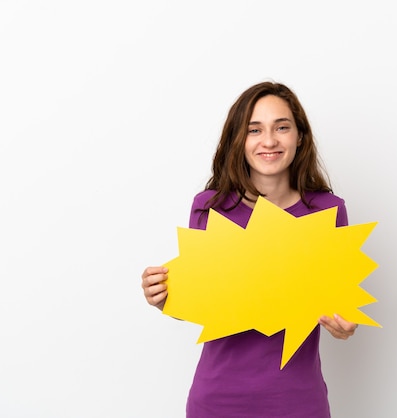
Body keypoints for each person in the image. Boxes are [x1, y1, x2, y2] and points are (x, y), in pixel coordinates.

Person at [141, 81, 358, 417]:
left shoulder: (328, 211)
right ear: (238, 140)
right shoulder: (209, 207)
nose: (269, 140)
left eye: (281, 127)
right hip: (218, 399)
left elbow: (339, 306)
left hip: (297, 400)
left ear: (299, 136)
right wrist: (164, 298)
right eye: (254, 129)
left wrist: (345, 326)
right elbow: (201, 304)